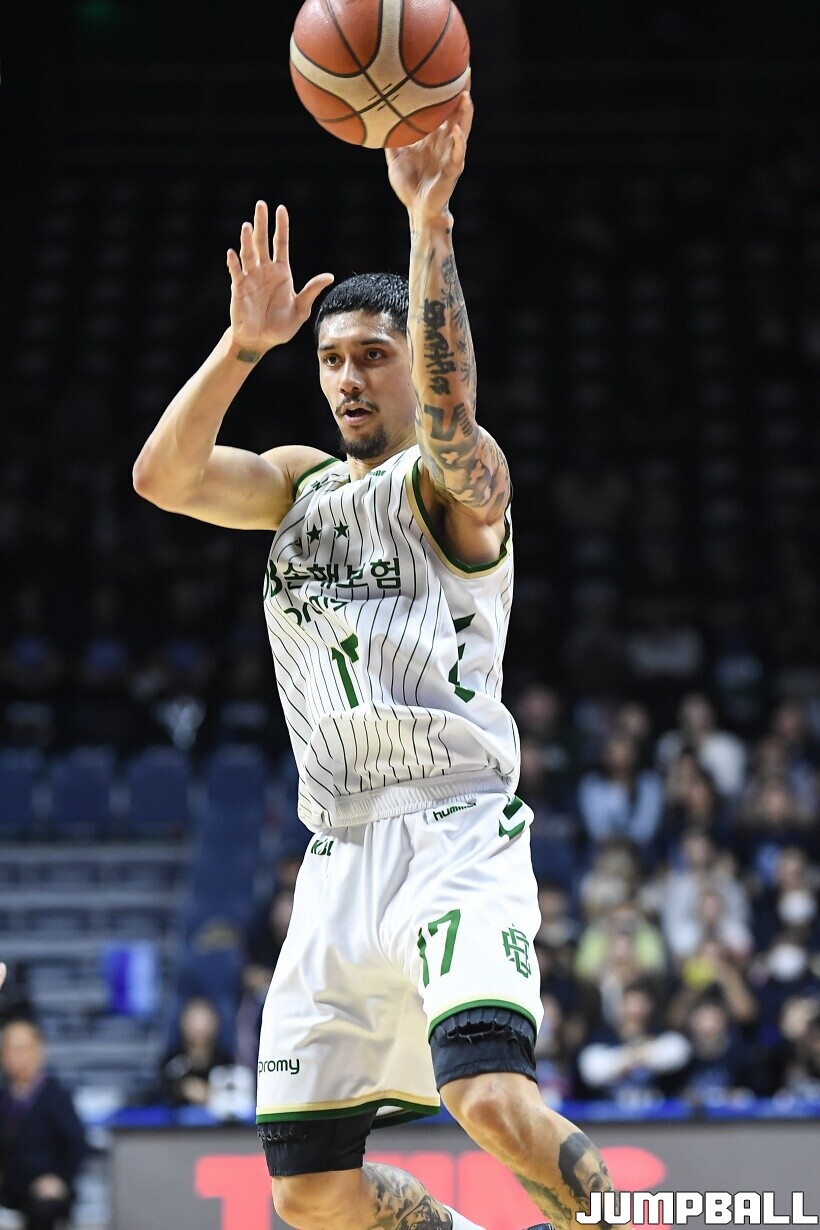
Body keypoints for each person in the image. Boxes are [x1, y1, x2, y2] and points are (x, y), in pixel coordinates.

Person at [134, 91, 622, 1230]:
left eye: (373, 356)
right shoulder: (297, 484)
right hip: (337, 853)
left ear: (412, 367)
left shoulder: (456, 483)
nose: (348, 378)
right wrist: (243, 345)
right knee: (309, 1193)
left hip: (452, 829)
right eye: (331, 360)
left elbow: (453, 415)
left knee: (490, 1101)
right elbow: (164, 477)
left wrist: (428, 222)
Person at [0, 1017, 87, 1230]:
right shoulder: (3, 1097)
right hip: (9, 1184)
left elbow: (76, 1144)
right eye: (10, 1049)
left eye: (22, 1049)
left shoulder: (56, 1097)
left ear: (38, 1051)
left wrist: (61, 1179)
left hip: (45, 1184)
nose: (16, 1056)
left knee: (43, 1208)